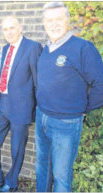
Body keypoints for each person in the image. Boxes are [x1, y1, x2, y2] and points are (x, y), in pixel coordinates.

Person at [35, 2, 103, 192]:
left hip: (66, 123)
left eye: (59, 19)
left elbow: (101, 85)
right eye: (49, 20)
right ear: (44, 23)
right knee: (42, 168)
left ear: (68, 20)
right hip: (42, 117)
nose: (54, 24)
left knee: (61, 175)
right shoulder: (46, 50)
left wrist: (81, 109)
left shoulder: (83, 48)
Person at [0, 16, 43, 192]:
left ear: (20, 27)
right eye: (5, 29)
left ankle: (11, 181)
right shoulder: (6, 48)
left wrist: (36, 109)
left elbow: (38, 81)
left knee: (17, 148)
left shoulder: (33, 47)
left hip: (21, 107)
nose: (9, 32)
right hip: (2, 104)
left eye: (12, 28)